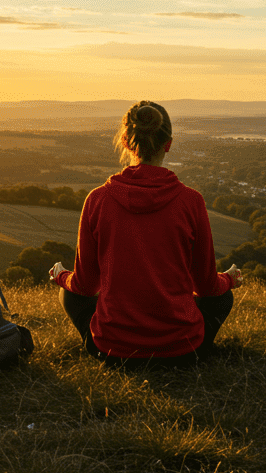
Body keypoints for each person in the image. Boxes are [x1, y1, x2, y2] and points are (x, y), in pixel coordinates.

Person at [49, 101, 242, 367]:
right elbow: (206, 287)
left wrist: (61, 275)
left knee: (68, 294)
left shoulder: (97, 200)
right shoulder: (191, 201)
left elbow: (85, 286)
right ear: (168, 144)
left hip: (112, 351)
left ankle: (114, 341)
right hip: (183, 350)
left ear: (126, 142)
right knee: (222, 298)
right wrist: (228, 280)